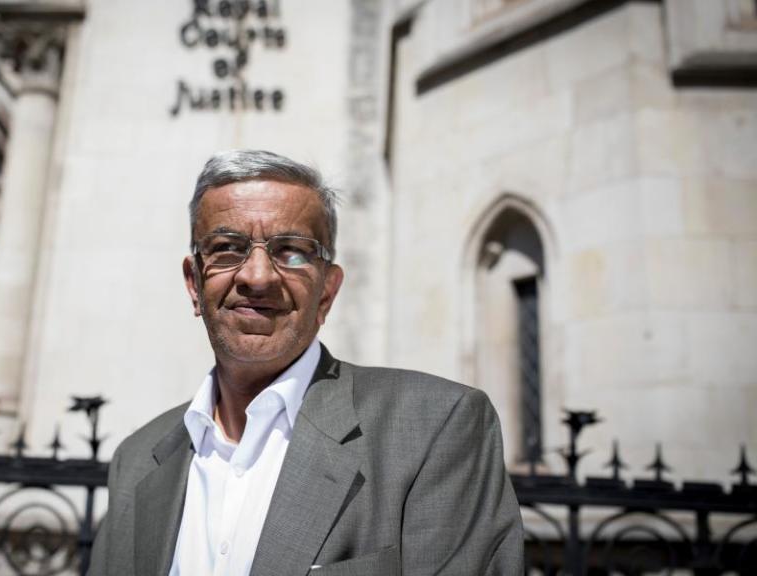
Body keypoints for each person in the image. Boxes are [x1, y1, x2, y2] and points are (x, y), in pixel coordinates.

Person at [88, 150, 523, 575]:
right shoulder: (138, 460)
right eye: (226, 247)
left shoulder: (434, 428)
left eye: (291, 251)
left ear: (327, 292)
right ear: (193, 284)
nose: (257, 277)